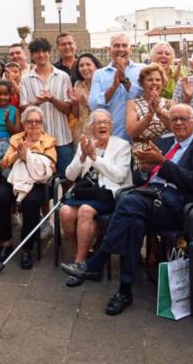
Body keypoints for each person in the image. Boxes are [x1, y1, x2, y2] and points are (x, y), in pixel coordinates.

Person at [62, 104, 193, 315]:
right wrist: (145, 169)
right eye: (174, 119)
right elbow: (141, 177)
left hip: (178, 206)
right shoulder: (162, 142)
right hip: (149, 200)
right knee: (133, 222)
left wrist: (162, 163)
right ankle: (124, 291)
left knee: (128, 202)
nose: (178, 123)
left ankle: (98, 260)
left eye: (183, 119)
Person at [61, 110, 132, 286]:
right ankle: (85, 259)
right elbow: (70, 175)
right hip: (88, 193)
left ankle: (79, 265)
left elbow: (120, 176)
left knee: (85, 211)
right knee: (65, 212)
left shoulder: (122, 146)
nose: (102, 126)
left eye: (106, 122)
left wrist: (95, 158)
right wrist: (83, 156)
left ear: (111, 126)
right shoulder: (85, 144)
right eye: (98, 123)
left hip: (109, 194)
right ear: (91, 127)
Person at [0, 106, 58, 269]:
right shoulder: (16, 139)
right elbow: (4, 164)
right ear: (24, 124)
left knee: (31, 202)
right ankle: (5, 242)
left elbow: (51, 166)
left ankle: (27, 249)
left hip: (37, 184)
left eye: (37, 121)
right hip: (15, 180)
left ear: (42, 124)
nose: (34, 124)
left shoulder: (49, 141)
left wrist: (30, 157)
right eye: (30, 121)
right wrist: (18, 154)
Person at [20, 37, 74, 174]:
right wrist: (37, 103)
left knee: (66, 177)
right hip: (38, 141)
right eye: (37, 52)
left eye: (44, 51)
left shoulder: (63, 77)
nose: (41, 55)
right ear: (32, 55)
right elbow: (24, 109)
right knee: (41, 178)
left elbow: (68, 108)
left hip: (61, 138)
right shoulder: (26, 79)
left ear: (50, 53)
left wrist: (52, 99)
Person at [89, 33, 144, 141]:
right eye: (116, 45)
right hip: (113, 136)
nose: (120, 49)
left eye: (124, 45)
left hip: (139, 135)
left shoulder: (142, 70)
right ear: (109, 50)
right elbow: (94, 105)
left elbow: (145, 96)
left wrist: (125, 81)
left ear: (131, 50)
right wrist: (113, 87)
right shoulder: (99, 74)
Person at [126, 63, 172, 167]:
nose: (154, 83)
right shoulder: (132, 103)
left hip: (168, 149)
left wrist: (158, 111)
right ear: (142, 84)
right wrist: (150, 114)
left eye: (158, 80)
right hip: (143, 150)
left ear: (163, 83)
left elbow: (174, 128)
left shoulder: (170, 103)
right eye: (150, 80)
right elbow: (133, 133)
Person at [67, 52, 103, 139]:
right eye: (81, 65)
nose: (84, 68)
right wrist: (75, 103)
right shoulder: (78, 84)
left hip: (99, 132)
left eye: (88, 64)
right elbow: (76, 114)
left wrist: (85, 101)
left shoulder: (103, 84)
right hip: (80, 133)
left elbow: (104, 111)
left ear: (96, 66)